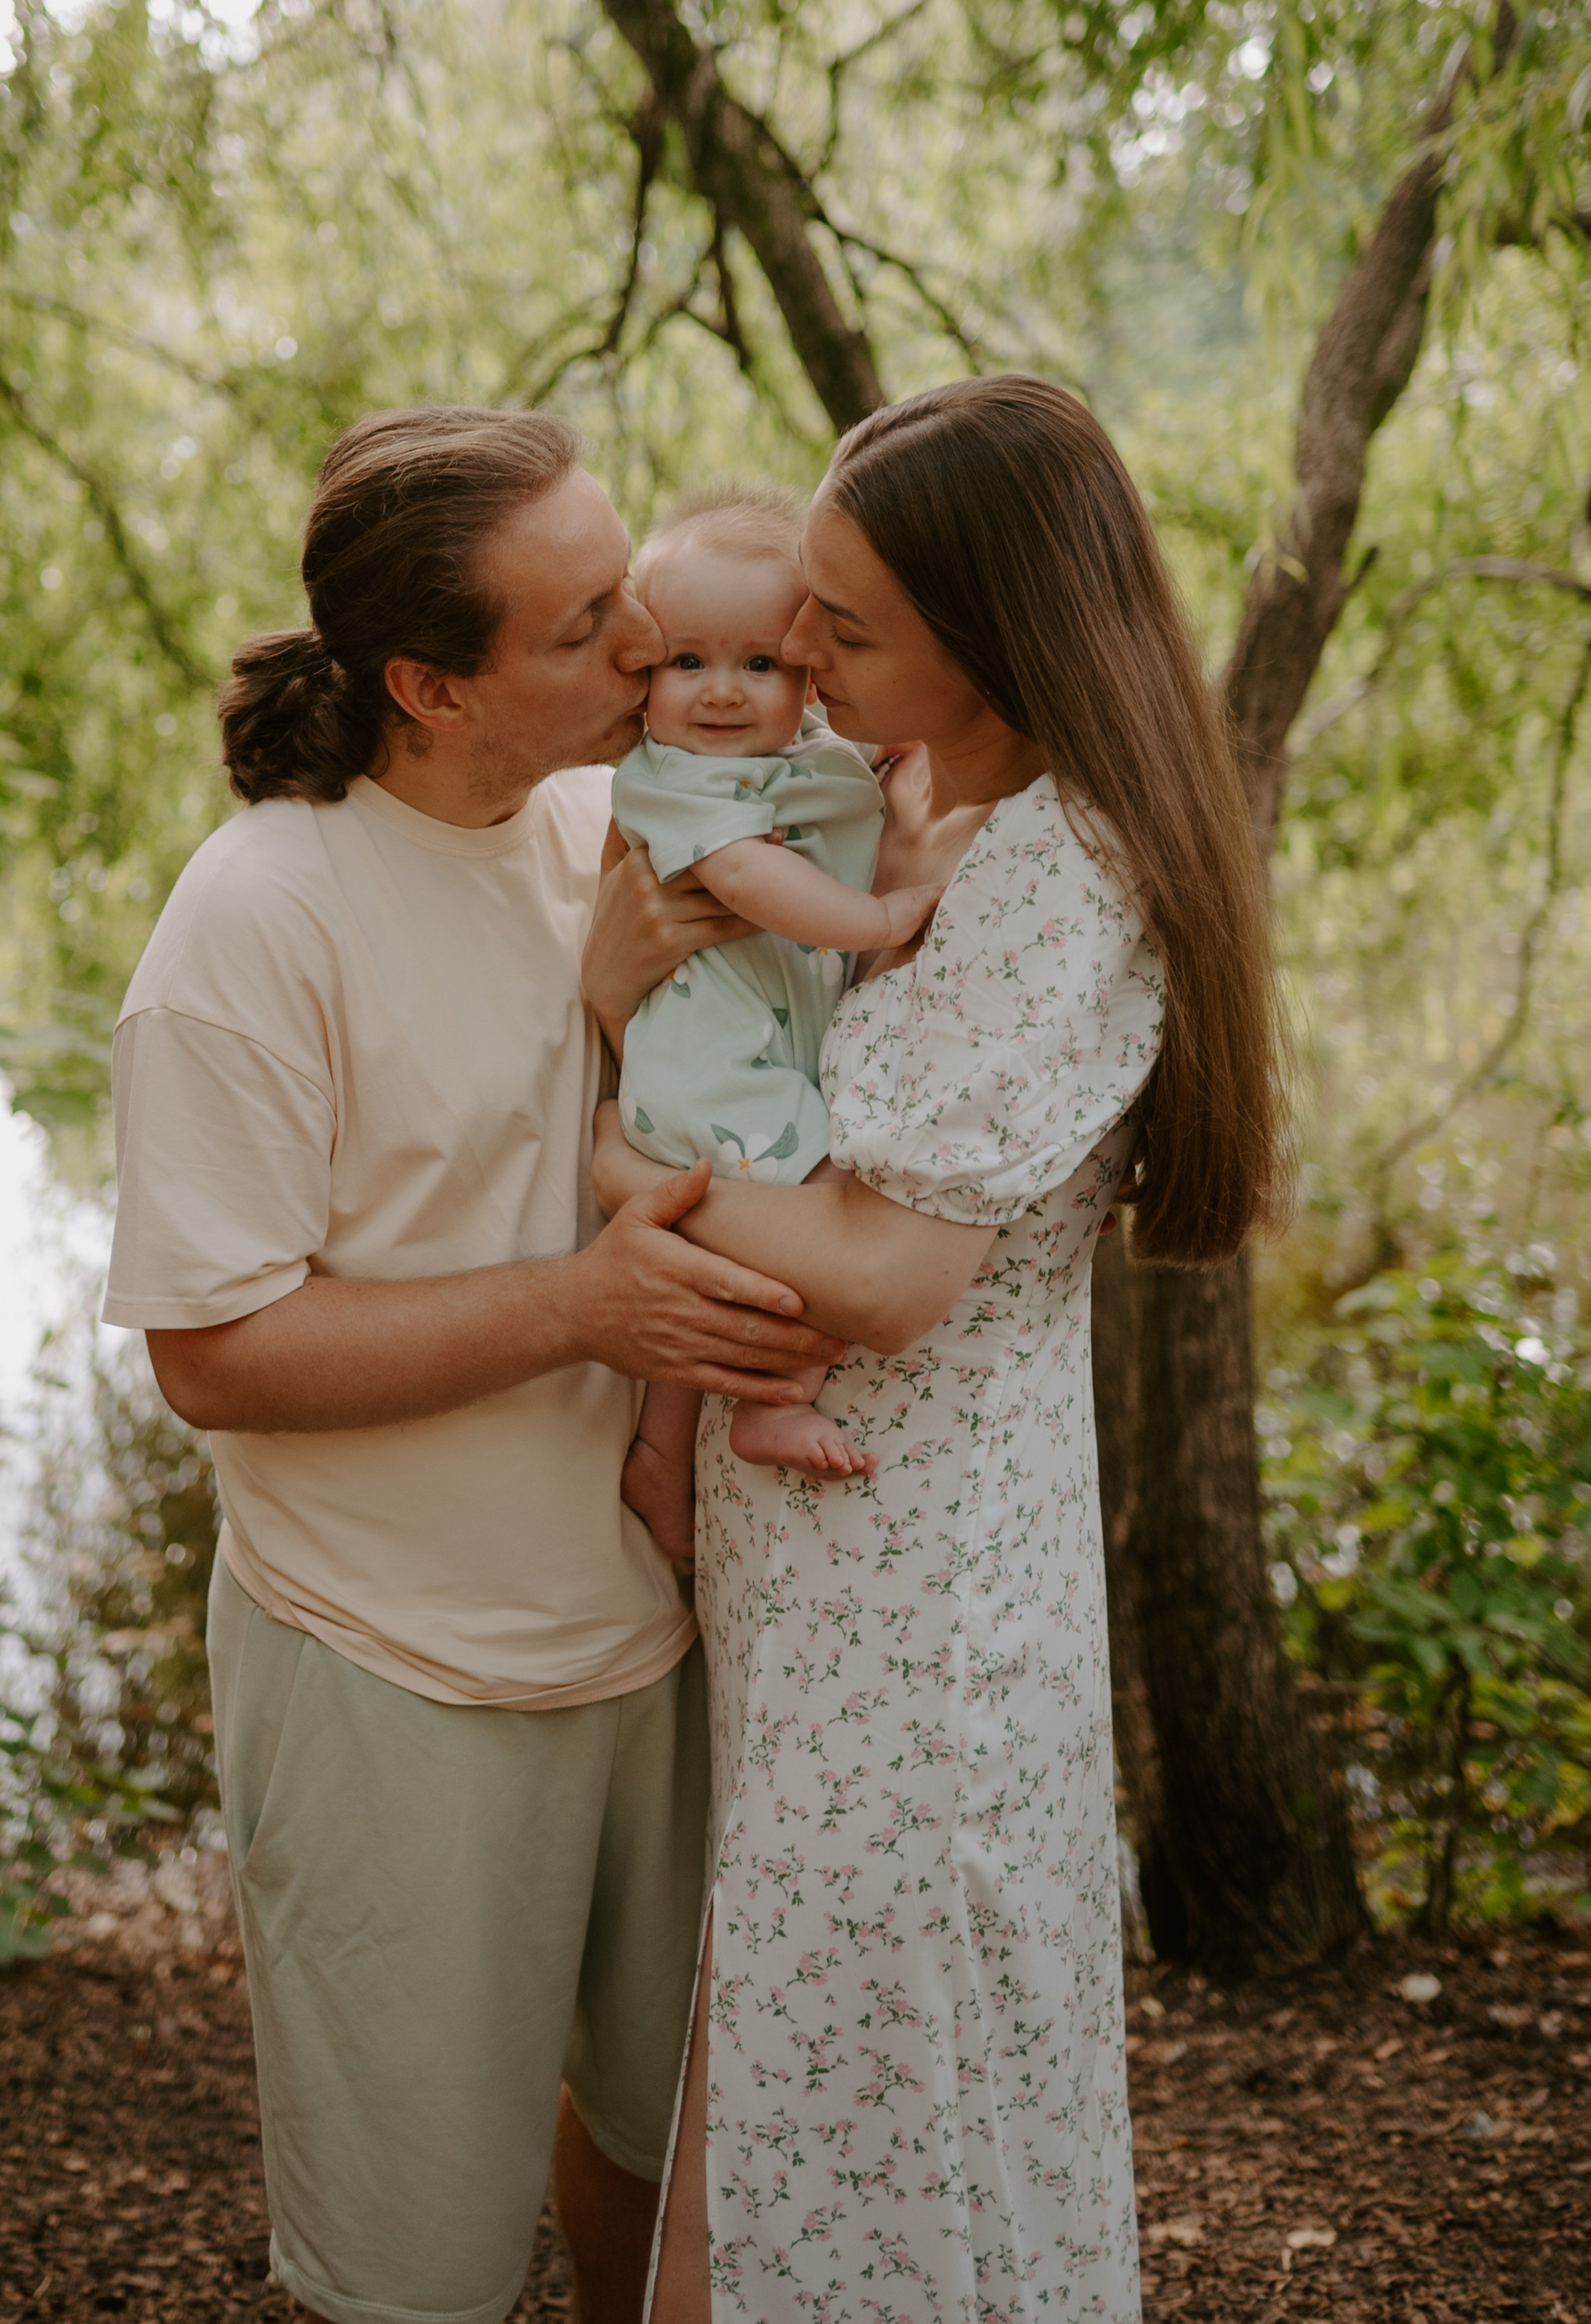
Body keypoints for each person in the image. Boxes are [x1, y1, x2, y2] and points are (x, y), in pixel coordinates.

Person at [100, 407, 844, 2324]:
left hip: (661, 1630)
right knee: (413, 2264)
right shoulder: (256, 920)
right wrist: (577, 1307)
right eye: (591, 617)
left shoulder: (624, 818)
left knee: (670, 2157)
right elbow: (213, 1348)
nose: (648, 639)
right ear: (429, 683)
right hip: (392, 1665)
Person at [587, 377, 1287, 2322]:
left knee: (873, 2116)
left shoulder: (1066, 882)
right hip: (847, 1593)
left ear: (994, 635)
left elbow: (882, 1280)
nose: (795, 653)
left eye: (848, 622)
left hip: (924, 1603)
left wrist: (611, 1157)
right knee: (810, 2101)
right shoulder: (955, 823)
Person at [611, 488, 941, 1561]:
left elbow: (857, 783)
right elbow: (755, 882)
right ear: (642, 675)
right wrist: (882, 916)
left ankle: (662, 1447)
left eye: (759, 664)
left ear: (807, 671)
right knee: (830, 1217)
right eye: (685, 662)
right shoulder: (669, 782)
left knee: (706, 1281)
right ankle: (773, 1396)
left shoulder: (810, 759)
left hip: (758, 1058)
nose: (719, 694)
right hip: (715, 1068)